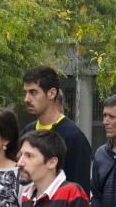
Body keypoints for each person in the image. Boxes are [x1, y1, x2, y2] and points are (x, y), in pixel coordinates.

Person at [21, 66, 91, 194]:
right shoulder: (27, 131)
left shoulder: (73, 137)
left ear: (52, 93)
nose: (26, 99)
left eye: (33, 92)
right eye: (25, 92)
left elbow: (79, 192)